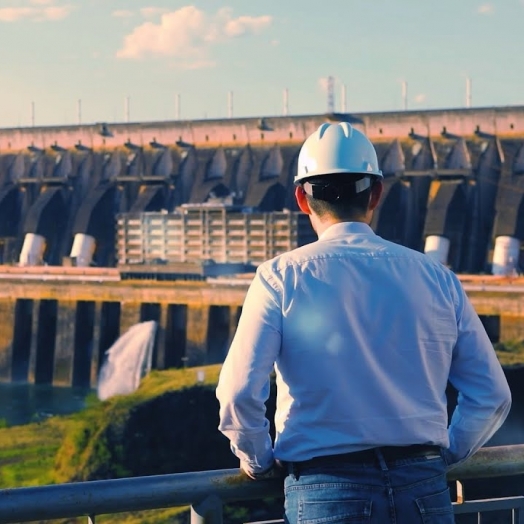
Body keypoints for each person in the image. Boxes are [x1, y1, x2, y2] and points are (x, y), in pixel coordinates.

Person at [216, 122, 511, 523]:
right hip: (423, 487)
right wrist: (441, 454)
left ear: (302, 199)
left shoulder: (280, 277)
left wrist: (259, 461)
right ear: (376, 193)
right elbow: (491, 394)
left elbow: (237, 394)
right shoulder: (436, 276)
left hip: (326, 489)